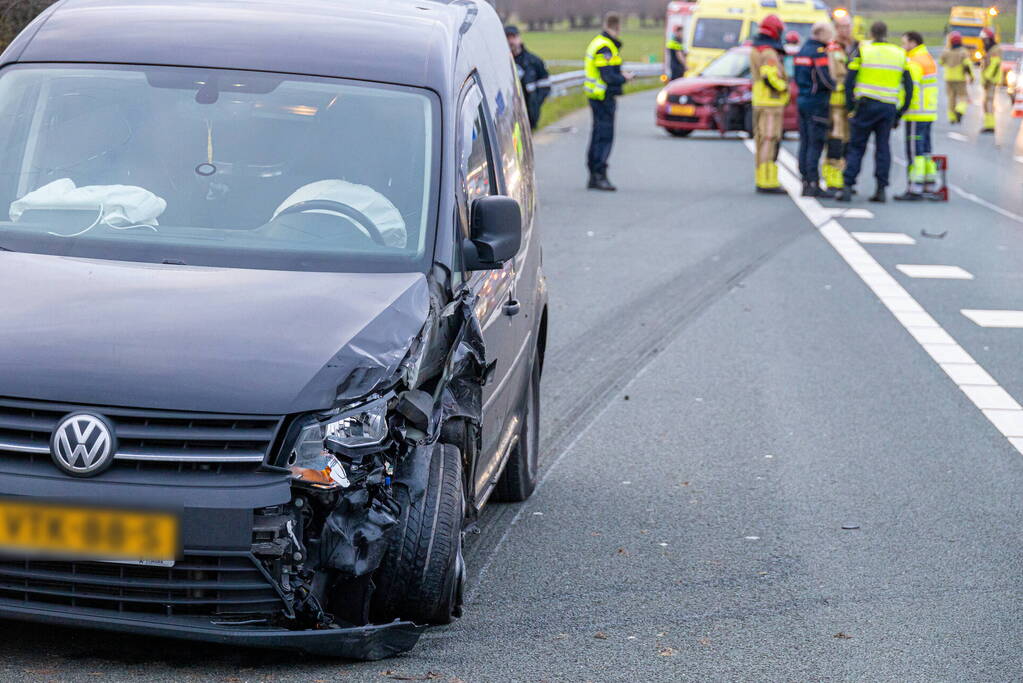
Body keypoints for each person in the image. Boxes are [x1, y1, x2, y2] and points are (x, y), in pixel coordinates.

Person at [838, 21, 913, 203]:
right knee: (883, 148)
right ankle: (881, 189)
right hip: (887, 107)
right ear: (886, 33)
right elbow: (909, 87)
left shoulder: (863, 51)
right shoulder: (899, 53)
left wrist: (850, 106)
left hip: (865, 105)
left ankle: (848, 186)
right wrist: (900, 112)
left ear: (871, 33)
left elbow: (850, 80)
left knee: (856, 146)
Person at [584, 12, 633, 191]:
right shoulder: (605, 47)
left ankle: (593, 175)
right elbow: (608, 76)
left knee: (598, 135)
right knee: (604, 137)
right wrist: (624, 78)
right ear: (618, 27)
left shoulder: (600, 43)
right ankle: (599, 175)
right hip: (603, 97)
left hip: (597, 97)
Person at [895, 31, 939, 202]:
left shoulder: (914, 62)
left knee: (914, 152)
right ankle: (929, 184)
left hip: (916, 112)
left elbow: (911, 90)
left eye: (904, 42)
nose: (902, 46)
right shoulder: (927, 58)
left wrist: (902, 110)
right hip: (928, 111)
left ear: (913, 42)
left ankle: (914, 188)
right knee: (926, 151)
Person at [794, 22, 836, 197]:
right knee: (815, 143)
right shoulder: (819, 52)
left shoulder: (802, 51)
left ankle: (805, 181)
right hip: (817, 101)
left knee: (804, 142)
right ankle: (813, 182)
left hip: (803, 99)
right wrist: (836, 86)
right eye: (829, 33)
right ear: (821, 34)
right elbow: (825, 79)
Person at [749, 14, 789, 195]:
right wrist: (783, 88)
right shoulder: (769, 52)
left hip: (760, 100)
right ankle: (768, 181)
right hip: (770, 103)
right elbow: (769, 77)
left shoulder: (756, 49)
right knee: (769, 140)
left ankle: (763, 178)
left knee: (761, 140)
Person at [822, 13, 858, 194]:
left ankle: (844, 178)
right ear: (836, 28)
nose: (847, 30)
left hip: (850, 103)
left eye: (848, 26)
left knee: (848, 141)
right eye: (843, 27)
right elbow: (837, 74)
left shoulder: (854, 46)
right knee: (835, 139)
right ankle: (831, 179)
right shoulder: (833, 48)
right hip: (835, 102)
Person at [506, 25, 551, 130]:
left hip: (529, 117)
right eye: (507, 37)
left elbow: (545, 85)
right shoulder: (500, 63)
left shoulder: (534, 61)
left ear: (519, 38)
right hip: (509, 119)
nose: (511, 41)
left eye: (513, 37)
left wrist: (535, 102)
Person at [940, 31, 973, 124]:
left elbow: (941, 63)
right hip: (960, 78)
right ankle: (959, 110)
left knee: (951, 98)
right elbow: (968, 64)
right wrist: (971, 76)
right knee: (963, 97)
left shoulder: (946, 52)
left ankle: (952, 118)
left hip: (948, 78)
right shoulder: (963, 52)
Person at [980, 27, 1002, 133]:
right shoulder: (990, 49)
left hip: (991, 80)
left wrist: (987, 78)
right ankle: (988, 124)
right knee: (986, 103)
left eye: (985, 40)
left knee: (988, 103)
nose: (983, 42)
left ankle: (990, 126)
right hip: (988, 80)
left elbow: (994, 65)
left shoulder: (995, 49)